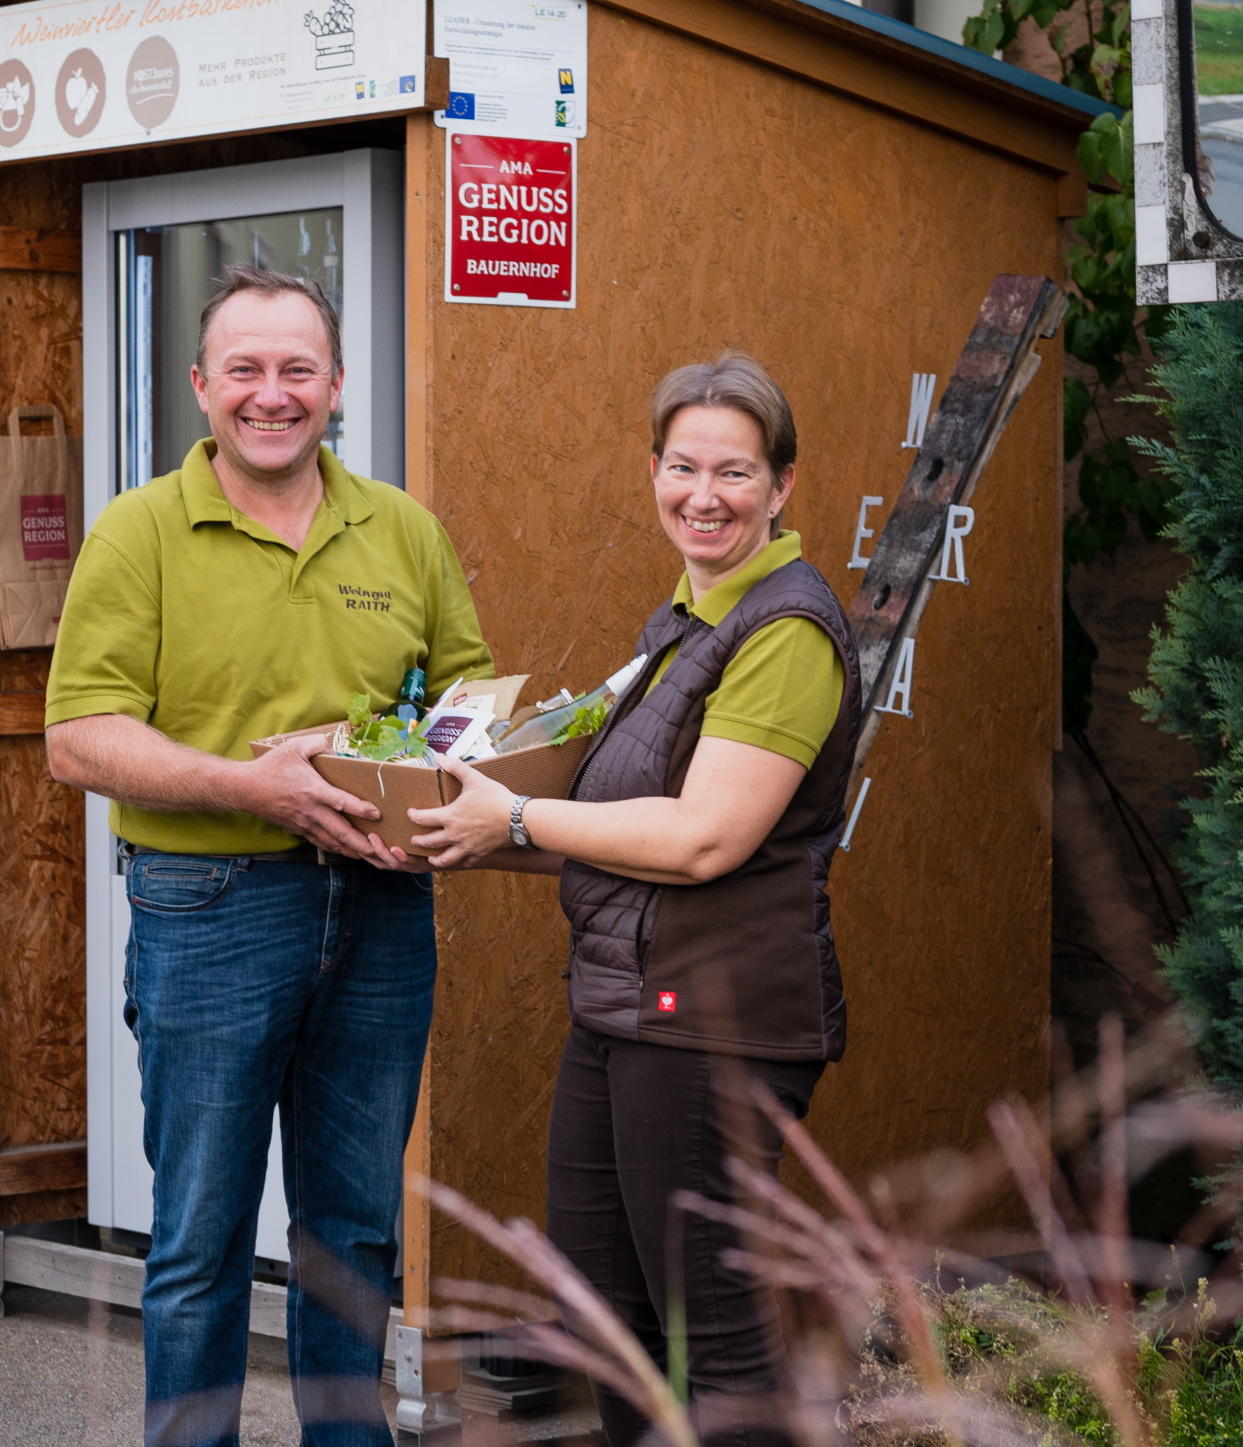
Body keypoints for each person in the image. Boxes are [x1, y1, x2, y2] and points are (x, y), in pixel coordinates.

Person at [44, 265, 493, 1447]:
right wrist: (254, 785)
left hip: (382, 911)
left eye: (297, 368)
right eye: (244, 368)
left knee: (352, 1235)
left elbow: (462, 708)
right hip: (211, 905)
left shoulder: (401, 529)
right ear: (200, 385)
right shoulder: (138, 532)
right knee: (199, 1235)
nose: (271, 393)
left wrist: (416, 770)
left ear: (336, 386)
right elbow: (76, 737)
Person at [401, 352, 859, 1447]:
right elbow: (612, 834)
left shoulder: (785, 631)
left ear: (783, 485)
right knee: (605, 1322)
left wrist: (509, 820)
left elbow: (703, 838)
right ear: (652, 470)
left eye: (736, 473)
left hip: (712, 1024)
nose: (704, 494)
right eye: (683, 466)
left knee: (715, 1341)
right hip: (624, 1011)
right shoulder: (680, 629)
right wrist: (448, 831)